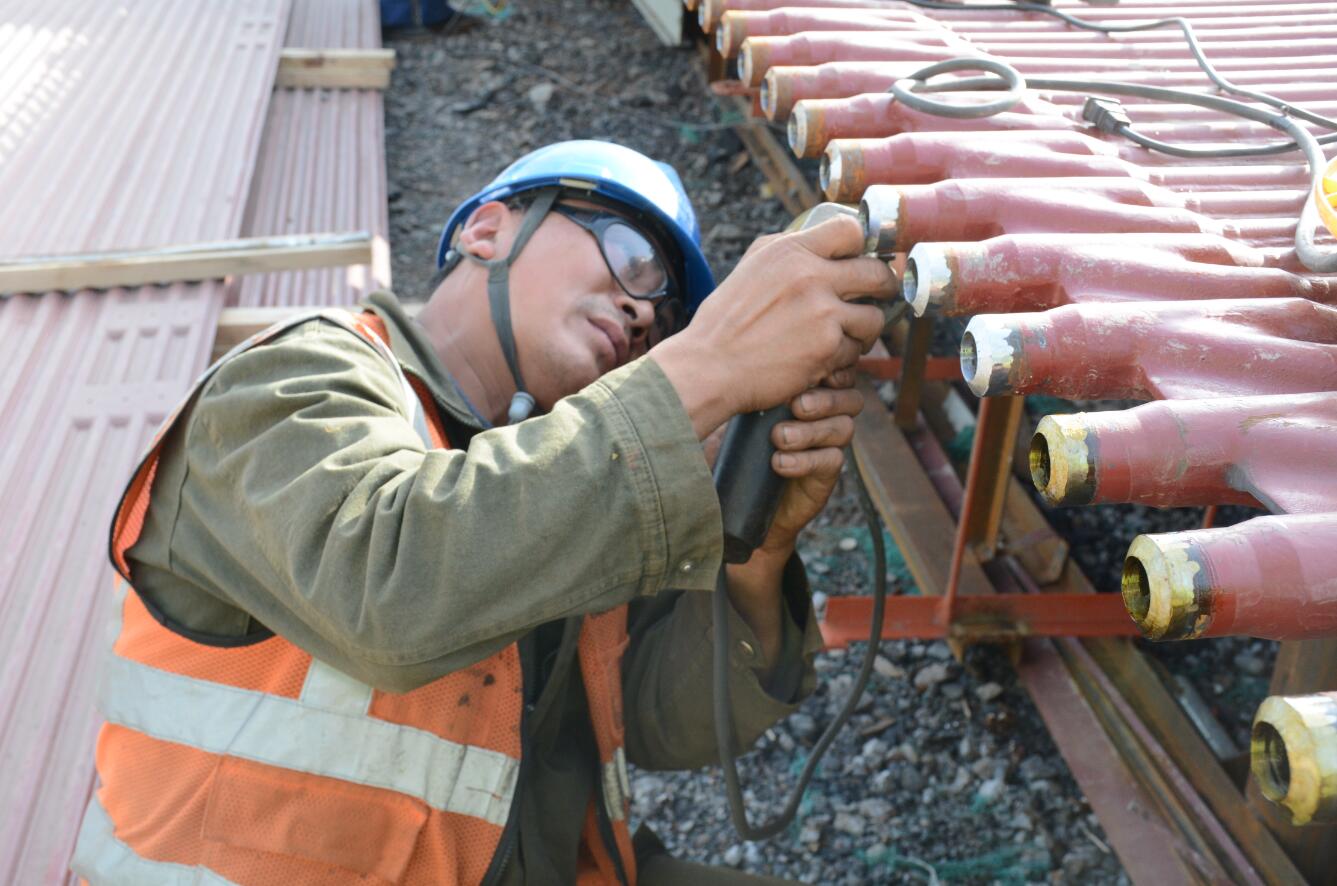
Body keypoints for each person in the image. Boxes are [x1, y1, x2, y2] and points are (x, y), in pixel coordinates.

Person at [72, 140, 893, 885]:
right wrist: (705, 366)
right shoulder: (295, 377)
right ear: (488, 230)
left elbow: (664, 726)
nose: (647, 314)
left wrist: (756, 561)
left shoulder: (578, 486)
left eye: (669, 318)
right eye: (631, 258)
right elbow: (388, 594)